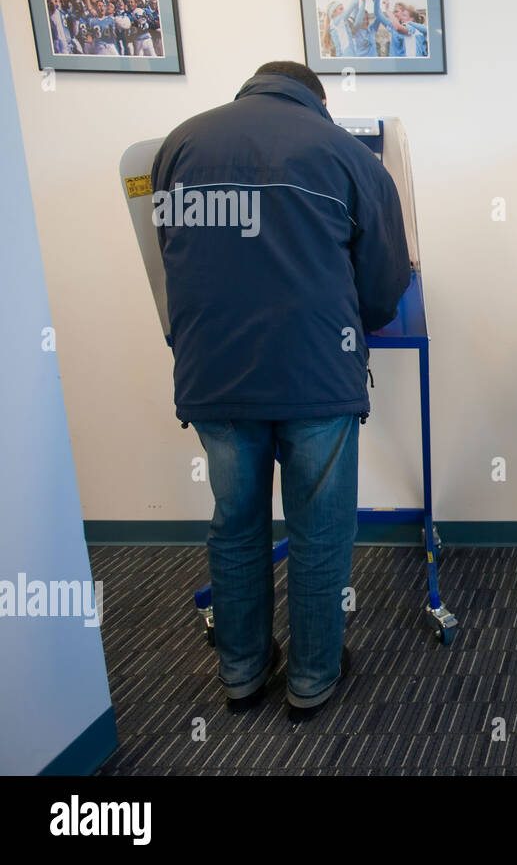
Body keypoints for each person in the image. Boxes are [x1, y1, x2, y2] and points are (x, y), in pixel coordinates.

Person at [151, 61, 410, 721]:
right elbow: (383, 285)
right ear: (318, 99)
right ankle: (313, 678)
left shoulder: (180, 145)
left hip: (215, 374)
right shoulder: (348, 156)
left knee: (234, 525)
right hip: (315, 377)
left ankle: (241, 672)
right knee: (319, 531)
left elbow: (171, 259)